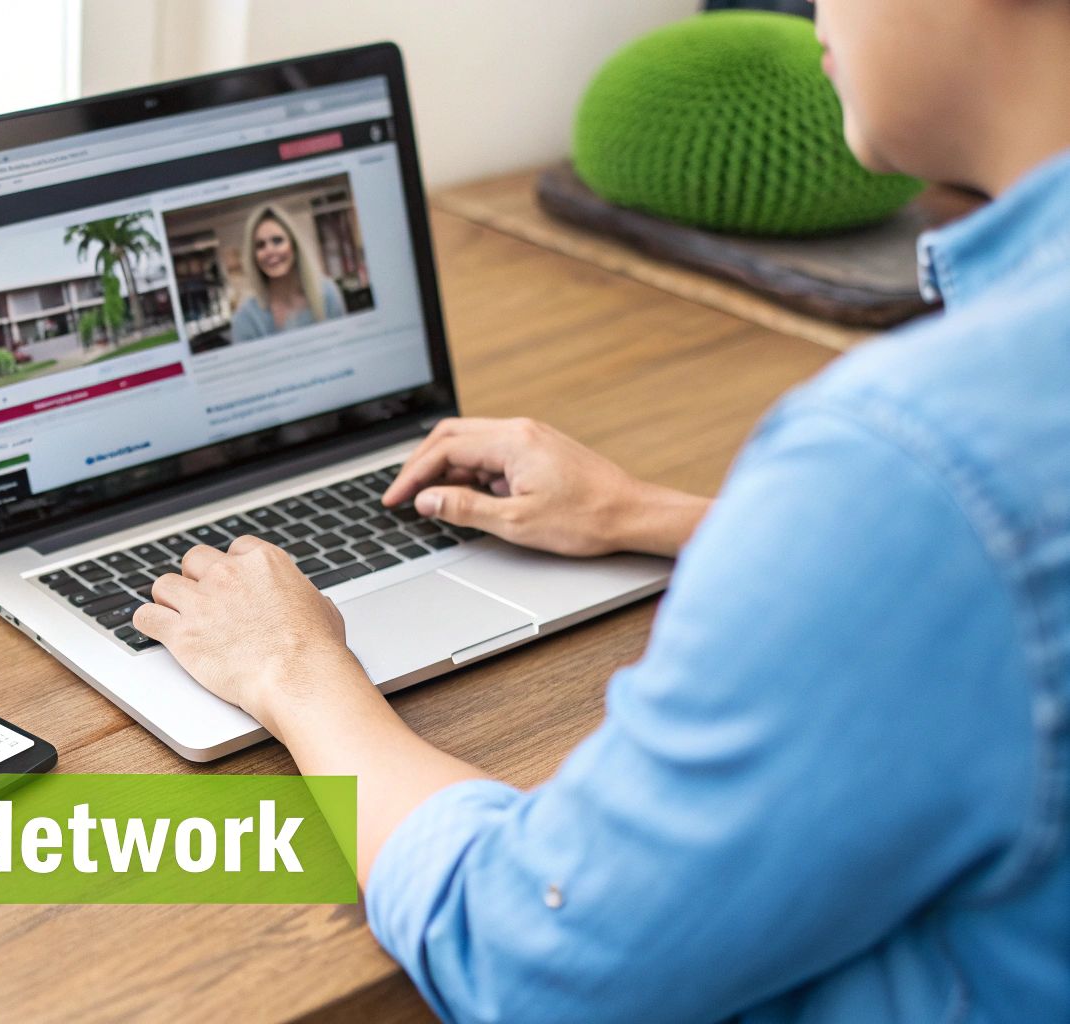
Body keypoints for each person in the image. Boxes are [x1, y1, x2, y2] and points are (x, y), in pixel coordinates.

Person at [131, 0, 1070, 1019]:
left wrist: (294, 670)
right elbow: (1003, 563)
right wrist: (643, 512)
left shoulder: (906, 457)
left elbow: (528, 955)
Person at [228, 204, 347, 342]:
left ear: (294, 245)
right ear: (253, 256)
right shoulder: (246, 319)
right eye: (260, 245)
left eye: (277, 240)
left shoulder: (327, 293)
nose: (269, 251)